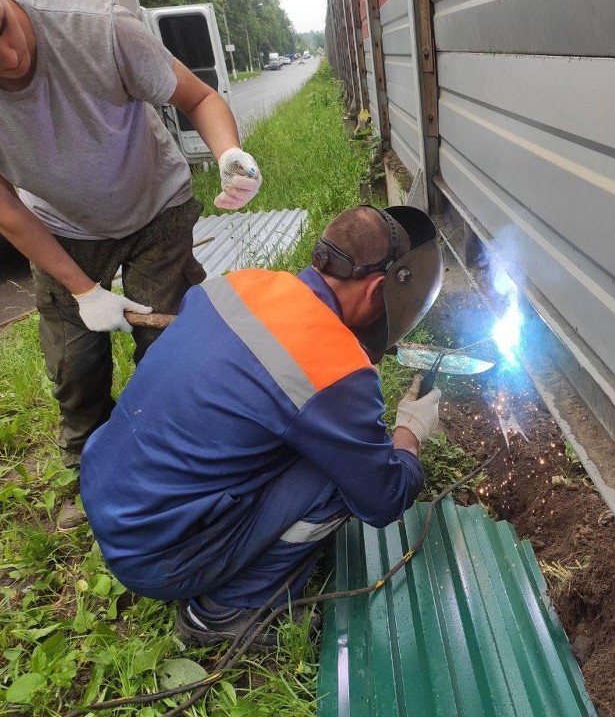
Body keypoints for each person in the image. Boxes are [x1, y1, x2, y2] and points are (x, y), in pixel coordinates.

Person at [80, 205, 444, 650]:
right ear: (375, 291)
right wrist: (409, 432)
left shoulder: (240, 284)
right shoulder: (334, 369)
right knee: (341, 479)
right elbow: (384, 497)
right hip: (158, 555)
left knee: (308, 440)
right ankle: (223, 613)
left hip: (110, 497)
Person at [0, 0, 263, 529]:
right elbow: (5, 211)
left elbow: (201, 96)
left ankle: (177, 465)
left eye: (0, 27)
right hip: (61, 229)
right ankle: (87, 470)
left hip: (156, 208)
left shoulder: (101, 29)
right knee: (75, 364)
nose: (8, 58)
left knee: (167, 349)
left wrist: (230, 154)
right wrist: (82, 291)